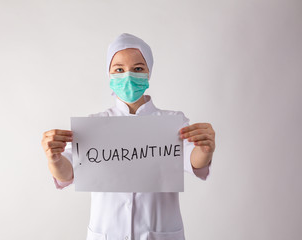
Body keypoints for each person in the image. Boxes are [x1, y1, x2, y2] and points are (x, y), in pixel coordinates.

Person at [41, 33, 215, 240]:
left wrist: (204, 149)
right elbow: (67, 172)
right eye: (119, 69)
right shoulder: (94, 125)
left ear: (149, 72)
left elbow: (192, 160)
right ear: (109, 74)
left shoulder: (172, 123)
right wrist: (54, 158)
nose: (128, 76)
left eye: (138, 69)